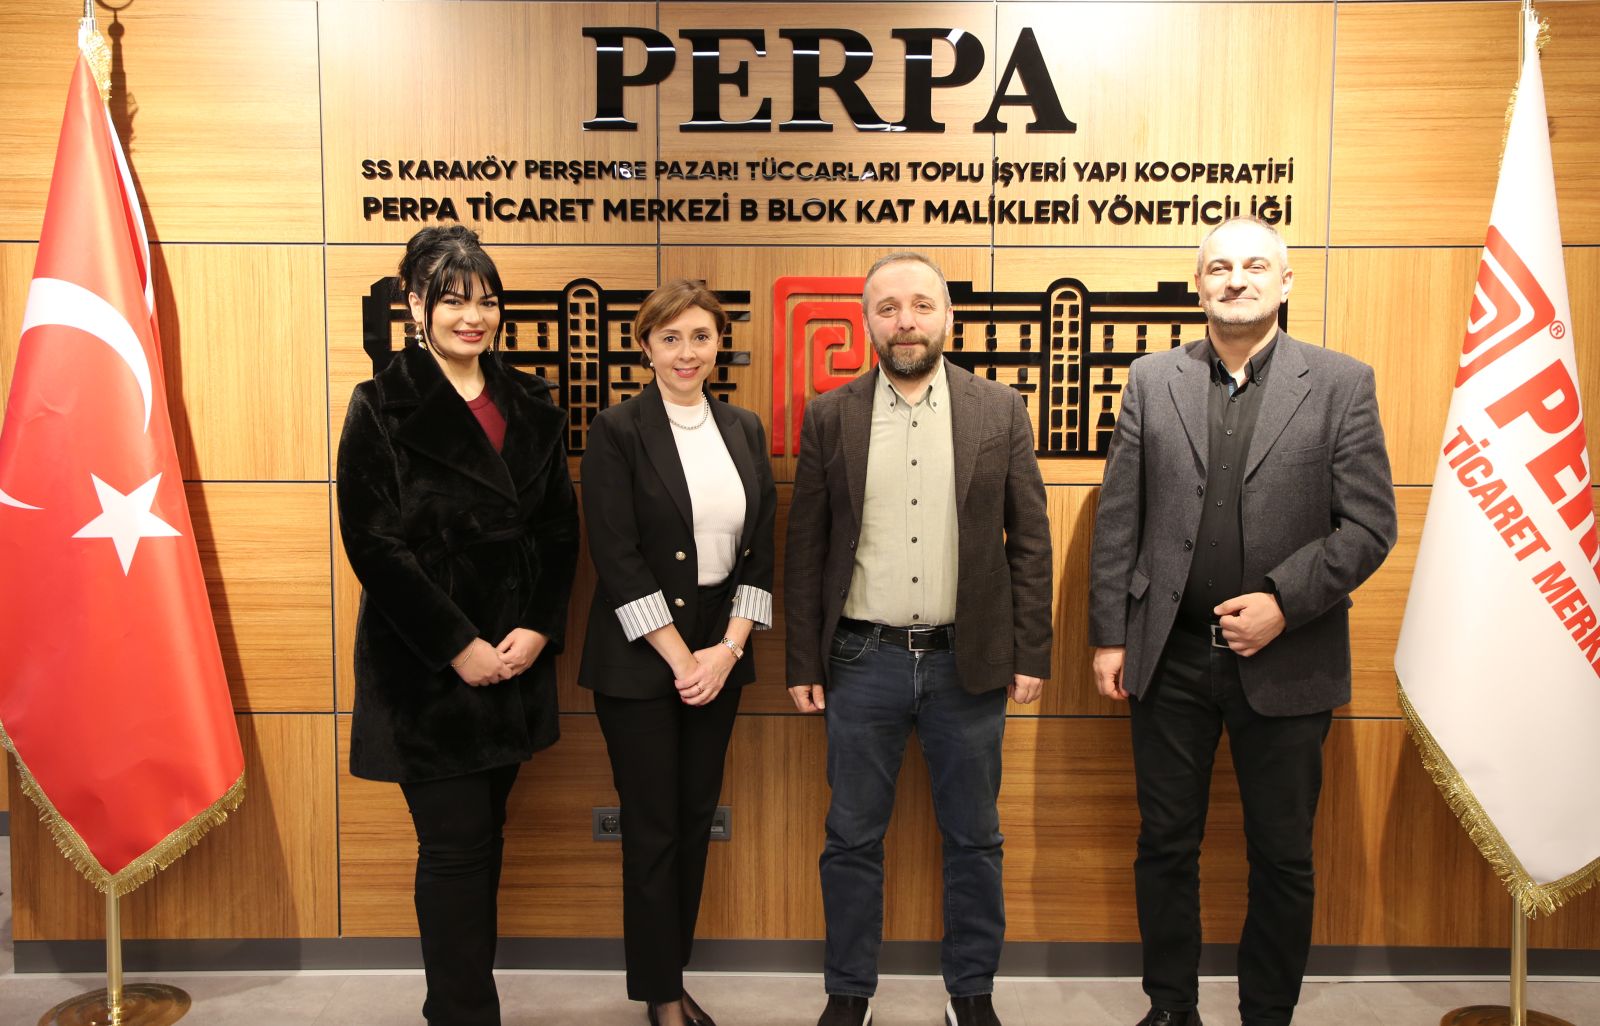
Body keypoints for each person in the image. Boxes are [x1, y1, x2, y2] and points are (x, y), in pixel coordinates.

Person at [1089, 217, 1397, 1026]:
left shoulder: (1340, 383)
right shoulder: (1152, 379)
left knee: (1283, 856)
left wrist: (1284, 603)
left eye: (1256, 266)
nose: (1237, 279)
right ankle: (1170, 1007)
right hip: (1170, 656)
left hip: (1289, 658)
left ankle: (1267, 1013)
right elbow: (1119, 516)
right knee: (1165, 845)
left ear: (1284, 282)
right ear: (1199, 285)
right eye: (1220, 267)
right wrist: (1111, 635)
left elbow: (1370, 527)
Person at [784, 252, 1053, 1026]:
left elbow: (1030, 540)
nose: (906, 321)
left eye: (922, 306)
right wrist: (802, 660)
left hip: (966, 663)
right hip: (858, 661)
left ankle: (971, 993)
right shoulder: (830, 415)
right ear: (866, 321)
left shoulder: (998, 409)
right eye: (888, 308)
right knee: (850, 838)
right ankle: (849, 993)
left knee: (975, 838)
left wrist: (1030, 651)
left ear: (947, 318)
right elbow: (805, 548)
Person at [336, 226, 579, 1026]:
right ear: (416, 305)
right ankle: (462, 1014)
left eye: (486, 300)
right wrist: (457, 647)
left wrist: (538, 628)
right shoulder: (381, 403)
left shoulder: (532, 400)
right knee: (453, 848)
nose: (473, 317)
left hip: (514, 662)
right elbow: (373, 544)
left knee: (483, 843)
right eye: (453, 300)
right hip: (426, 673)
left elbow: (559, 530)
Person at [578, 279, 777, 1026]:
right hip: (640, 662)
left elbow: (760, 552)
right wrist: (680, 657)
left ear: (719, 343)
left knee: (695, 822)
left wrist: (726, 651)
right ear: (645, 348)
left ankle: (672, 973)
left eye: (700, 336)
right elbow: (616, 555)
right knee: (653, 828)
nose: (686, 352)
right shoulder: (617, 430)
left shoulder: (744, 428)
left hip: (721, 655)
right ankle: (661, 995)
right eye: (669, 338)